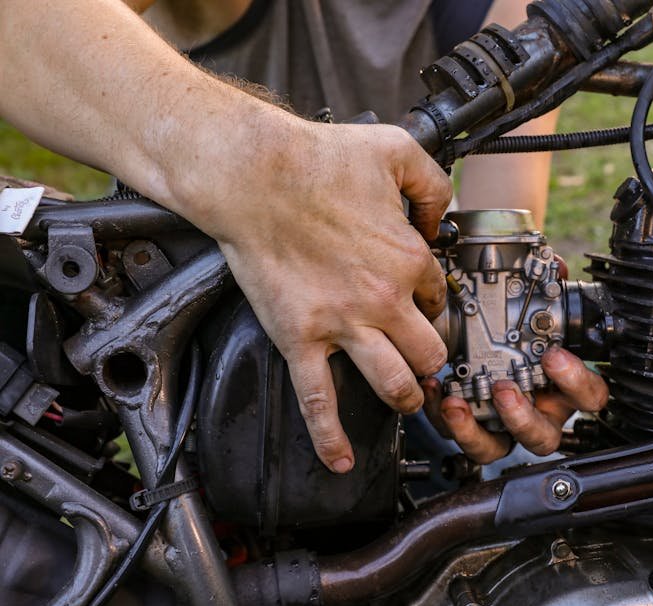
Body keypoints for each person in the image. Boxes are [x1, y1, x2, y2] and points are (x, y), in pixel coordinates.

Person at [0, 0, 607, 472]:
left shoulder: (491, 12)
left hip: (394, 351)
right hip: (188, 337)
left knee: (534, 473)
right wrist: (266, 172)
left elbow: (498, 232)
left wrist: (493, 361)